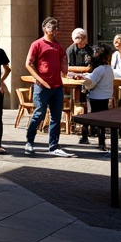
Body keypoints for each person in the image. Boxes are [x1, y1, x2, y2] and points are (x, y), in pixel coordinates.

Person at [24, 16, 73, 157]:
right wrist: (39, 79)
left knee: (56, 117)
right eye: (53, 28)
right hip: (42, 86)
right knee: (39, 114)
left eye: (57, 28)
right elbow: (28, 64)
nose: (56, 31)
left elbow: (64, 65)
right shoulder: (37, 44)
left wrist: (66, 69)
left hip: (57, 86)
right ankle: (29, 142)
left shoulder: (58, 46)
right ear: (45, 29)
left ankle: (54, 145)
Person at [75, 43, 114, 151]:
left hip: (96, 97)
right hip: (105, 97)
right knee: (98, 119)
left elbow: (91, 83)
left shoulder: (99, 69)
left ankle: (97, 141)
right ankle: (92, 139)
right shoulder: (108, 69)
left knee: (94, 118)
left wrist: (83, 80)